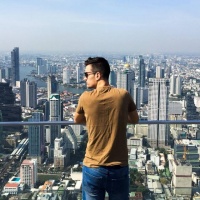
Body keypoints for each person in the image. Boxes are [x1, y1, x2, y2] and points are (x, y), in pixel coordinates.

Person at [74, 57, 139, 200]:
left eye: (86, 74)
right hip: (119, 167)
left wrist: (93, 117)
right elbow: (135, 119)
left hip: (93, 167)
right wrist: (119, 117)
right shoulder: (123, 95)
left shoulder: (85, 97)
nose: (85, 79)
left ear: (97, 75)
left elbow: (77, 119)